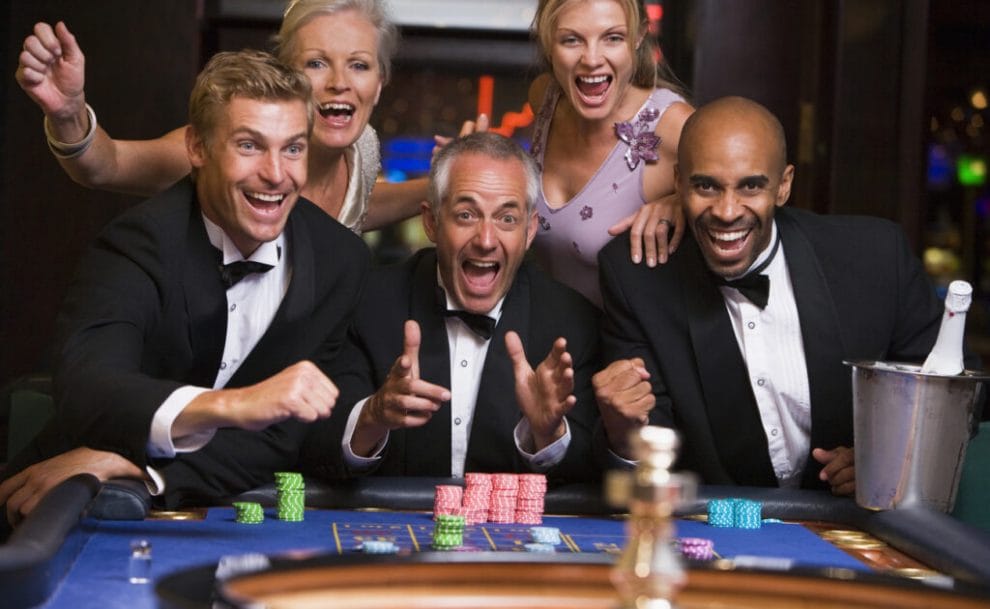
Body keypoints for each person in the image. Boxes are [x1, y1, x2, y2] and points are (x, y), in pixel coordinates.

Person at [0, 50, 370, 524]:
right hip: (57, 504)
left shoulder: (342, 259)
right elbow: (87, 388)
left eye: (293, 148)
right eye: (250, 145)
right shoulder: (140, 242)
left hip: (198, 507)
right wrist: (235, 405)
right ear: (197, 148)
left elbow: (281, 437)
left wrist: (144, 473)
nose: (277, 174)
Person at [592, 96, 980, 495]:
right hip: (714, 531)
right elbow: (645, 449)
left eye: (751, 186)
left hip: (853, 525)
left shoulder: (875, 257)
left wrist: (888, 455)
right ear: (678, 183)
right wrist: (623, 433)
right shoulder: (637, 277)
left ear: (784, 185)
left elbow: (956, 392)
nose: (727, 210)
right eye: (706, 186)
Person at [300, 132, 601, 484]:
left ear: (530, 230)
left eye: (507, 219)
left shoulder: (573, 323)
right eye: (466, 215)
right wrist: (373, 416)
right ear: (431, 222)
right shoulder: (366, 303)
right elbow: (313, 446)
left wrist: (547, 435)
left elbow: (593, 476)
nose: (486, 240)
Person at [15, 0, 424, 233]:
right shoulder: (227, 145)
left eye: (359, 65)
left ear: (381, 80)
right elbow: (106, 166)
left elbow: (355, 210)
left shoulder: (364, 148)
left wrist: (444, 184)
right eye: (317, 63)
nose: (340, 82)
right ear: (284, 75)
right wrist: (68, 112)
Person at [526, 0, 694, 307]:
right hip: (548, 341)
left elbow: (745, 200)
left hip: (628, 350)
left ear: (639, 35)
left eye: (613, 38)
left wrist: (688, 200)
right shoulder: (544, 99)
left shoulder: (673, 126)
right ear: (549, 40)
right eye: (572, 39)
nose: (591, 59)